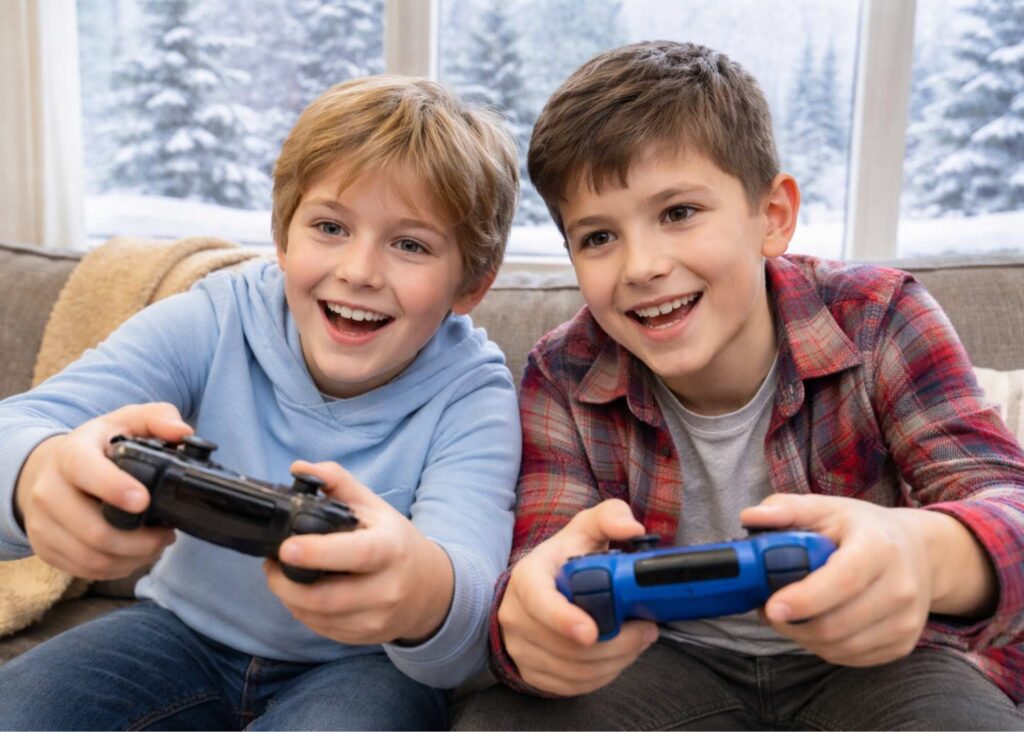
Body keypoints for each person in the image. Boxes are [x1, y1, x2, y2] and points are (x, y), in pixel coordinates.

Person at [453, 41, 1024, 730]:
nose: (641, 266)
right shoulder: (561, 371)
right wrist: (531, 625)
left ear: (772, 216)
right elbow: (538, 562)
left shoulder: (879, 317)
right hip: (660, 661)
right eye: (598, 237)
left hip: (886, 663)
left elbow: (1004, 499)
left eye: (678, 212)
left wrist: (922, 553)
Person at [0, 76, 521, 731]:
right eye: (329, 226)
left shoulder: (475, 396)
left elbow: (470, 617)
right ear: (283, 238)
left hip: (367, 666)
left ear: (472, 283)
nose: (359, 271)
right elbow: (18, 427)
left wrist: (422, 590)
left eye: (410, 244)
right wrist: (36, 475)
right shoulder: (216, 317)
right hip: (179, 632)